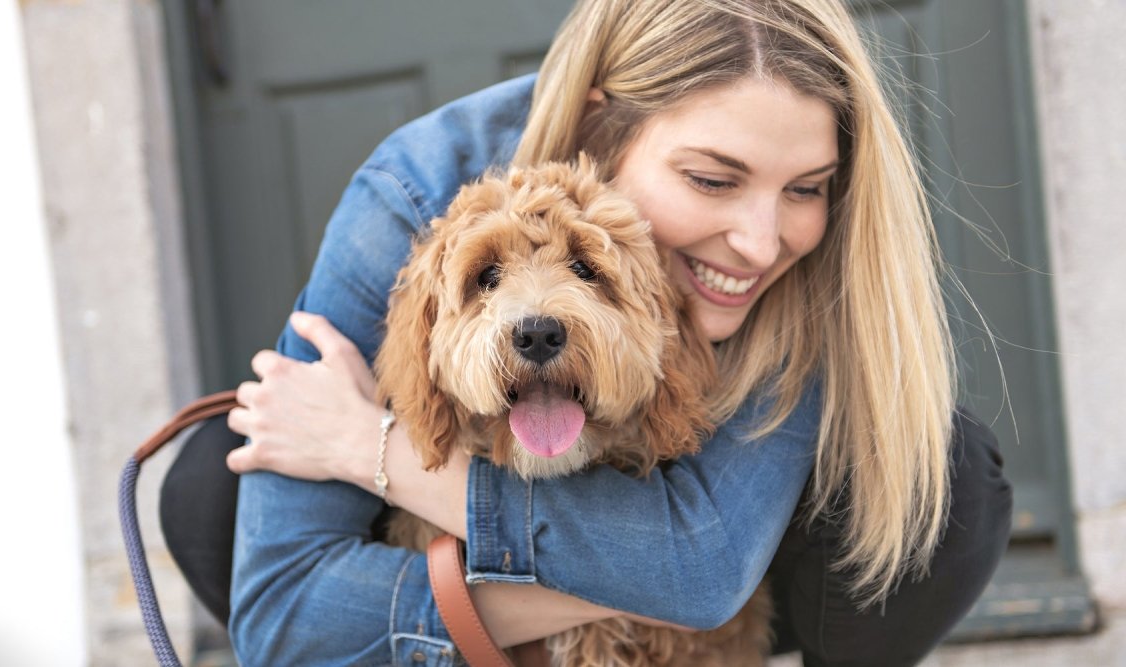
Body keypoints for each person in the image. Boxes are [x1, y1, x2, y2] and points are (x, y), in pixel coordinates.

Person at [221, 0, 1013, 664]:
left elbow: (703, 571)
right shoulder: (416, 188)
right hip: (507, 543)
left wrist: (373, 449)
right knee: (213, 481)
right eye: (711, 178)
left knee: (950, 479)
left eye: (804, 188)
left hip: (736, 556)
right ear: (603, 126)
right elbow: (281, 614)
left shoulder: (811, 260)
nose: (762, 243)